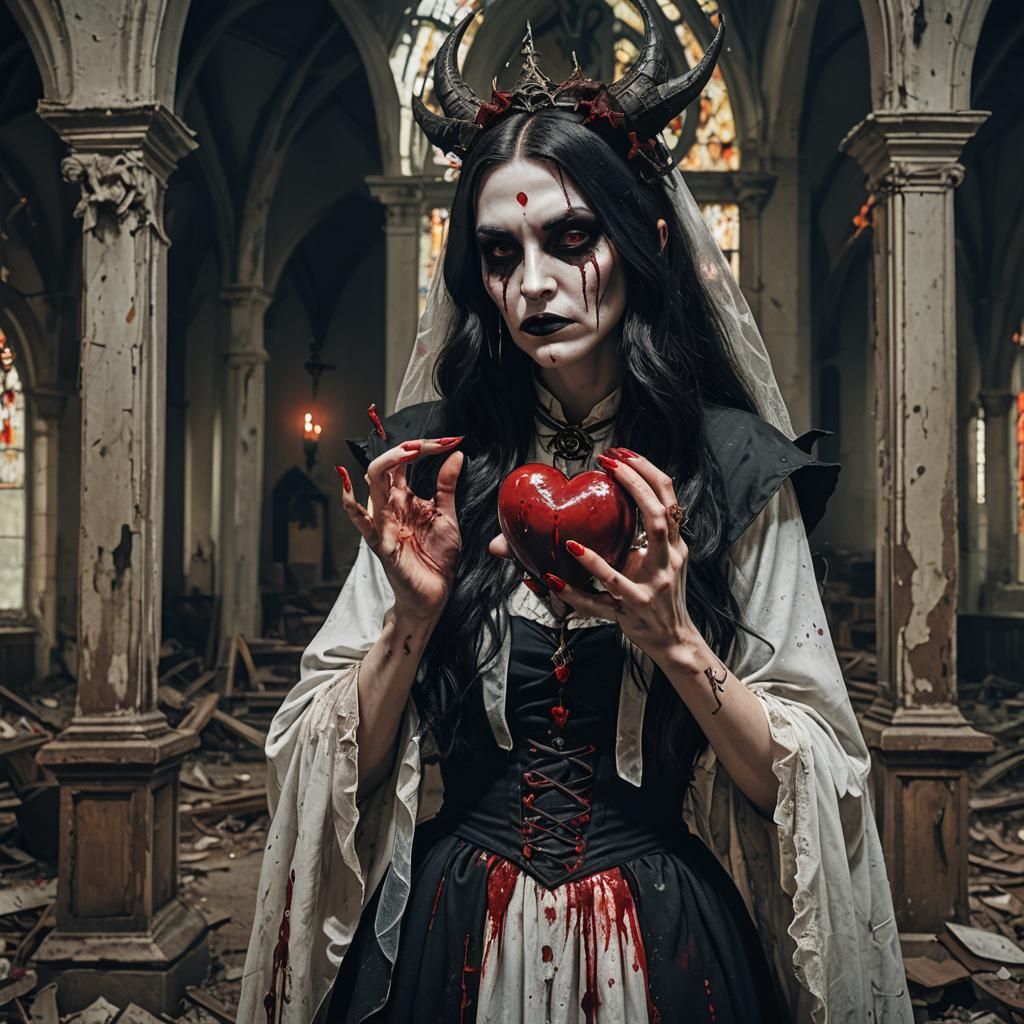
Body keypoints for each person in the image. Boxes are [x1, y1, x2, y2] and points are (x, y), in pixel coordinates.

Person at [240, 4, 912, 1022]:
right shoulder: (431, 469)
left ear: (640, 241)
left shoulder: (725, 469)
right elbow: (330, 764)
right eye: (500, 255)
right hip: (453, 931)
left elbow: (809, 788)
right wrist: (412, 619)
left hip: (662, 940)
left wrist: (676, 643)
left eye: (569, 237)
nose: (534, 285)